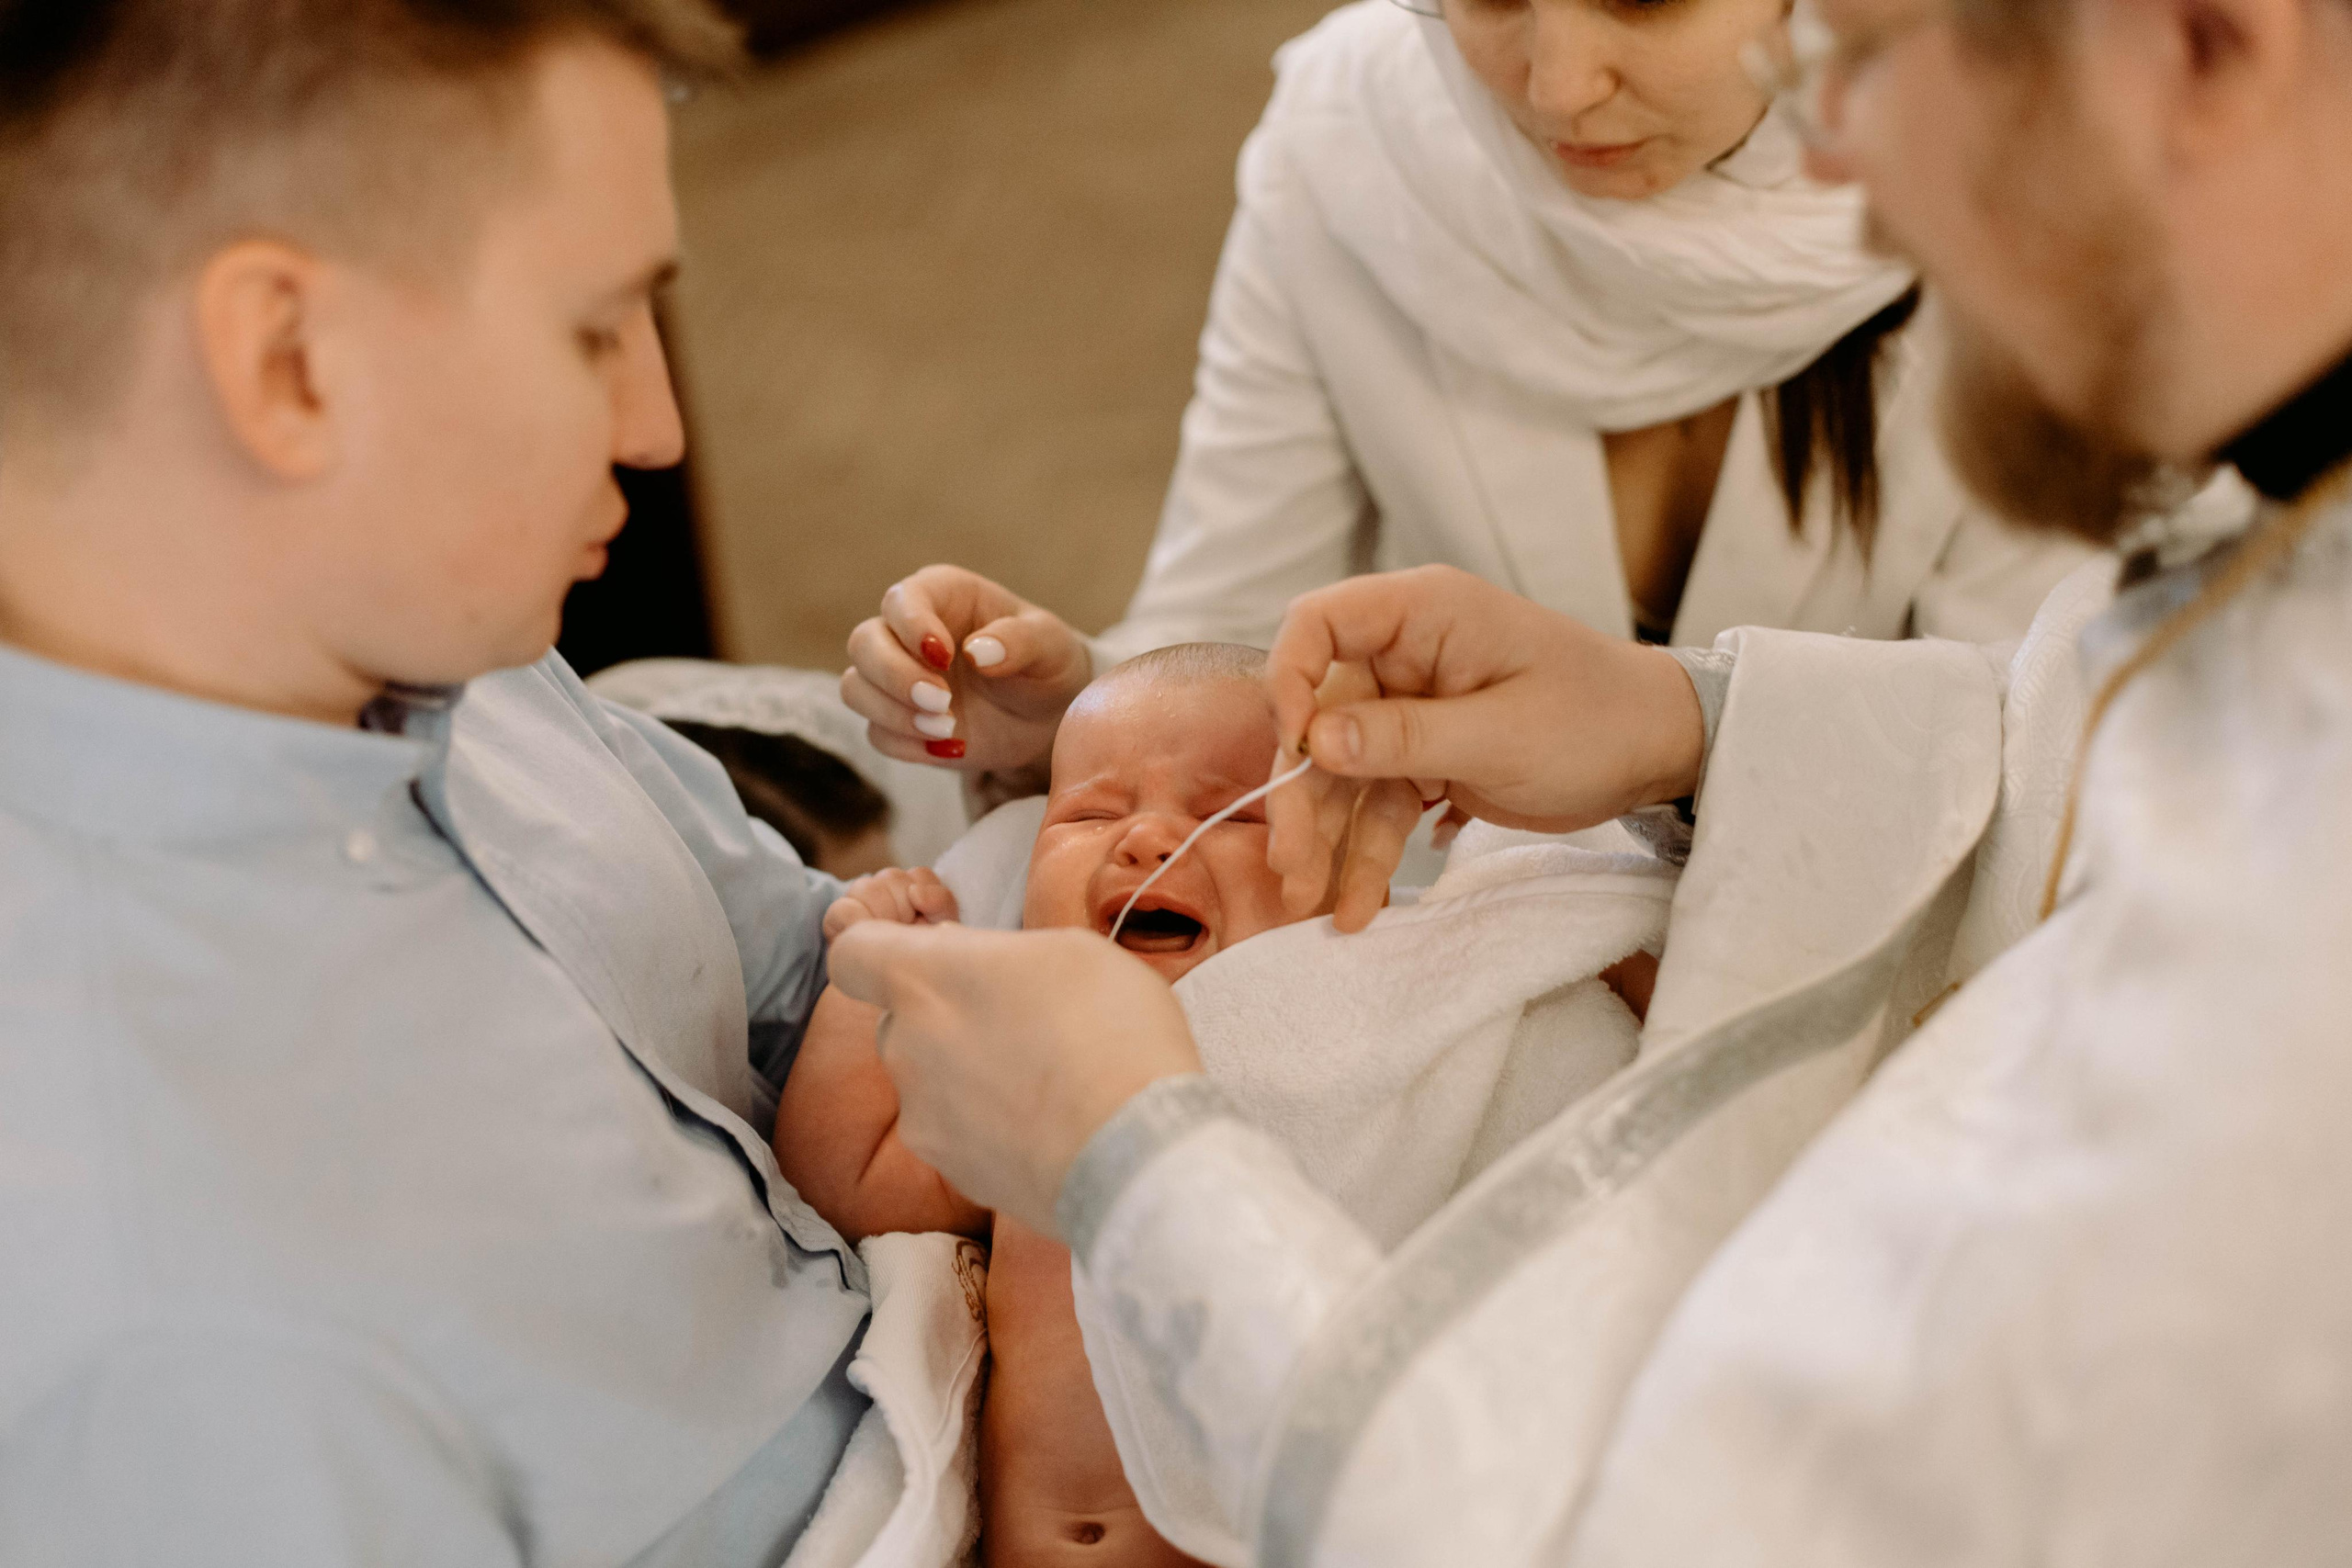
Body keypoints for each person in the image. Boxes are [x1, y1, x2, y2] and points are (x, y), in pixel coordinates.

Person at [826, 0, 2352, 1560]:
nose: (1830, 154)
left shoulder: (2291, 1022)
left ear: (2210, 41)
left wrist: (1143, 1169)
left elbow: (1643, 1531)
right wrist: (1685, 721)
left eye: (1873, 50)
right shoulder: (2281, 534)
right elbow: (2073, 751)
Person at [0, 4, 938, 1563]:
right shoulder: (169, 1322)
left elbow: (798, 971)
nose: (657, 428)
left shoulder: (432, 632)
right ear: (290, 363)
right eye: (595, 329)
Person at [839, 0, 2098, 784]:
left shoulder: (2038, 187)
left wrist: (1693, 746)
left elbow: (2048, 745)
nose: (1557, 85)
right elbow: (1237, 613)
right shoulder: (1352, 143)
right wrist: (1090, 711)